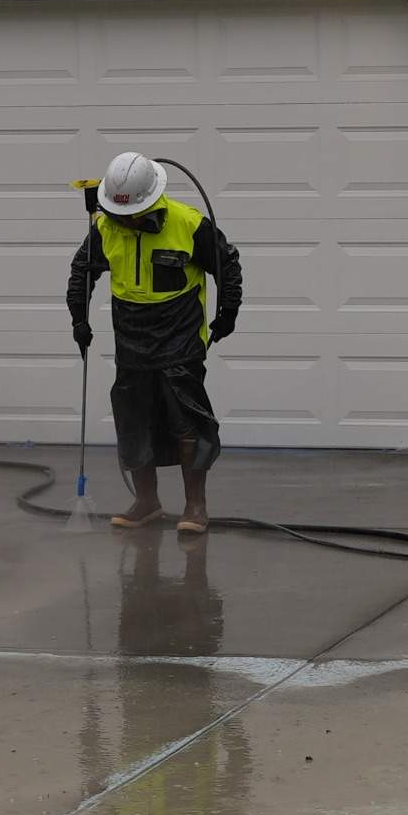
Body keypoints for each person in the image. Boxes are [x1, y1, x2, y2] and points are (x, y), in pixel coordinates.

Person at [68, 150, 242, 533]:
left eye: (129, 214)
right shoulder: (105, 226)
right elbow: (82, 269)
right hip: (130, 336)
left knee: (188, 421)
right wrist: (78, 318)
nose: (123, 220)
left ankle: (195, 505)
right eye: (117, 213)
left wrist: (228, 312)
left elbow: (227, 263)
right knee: (133, 420)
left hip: (180, 335)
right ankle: (146, 501)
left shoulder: (188, 224)